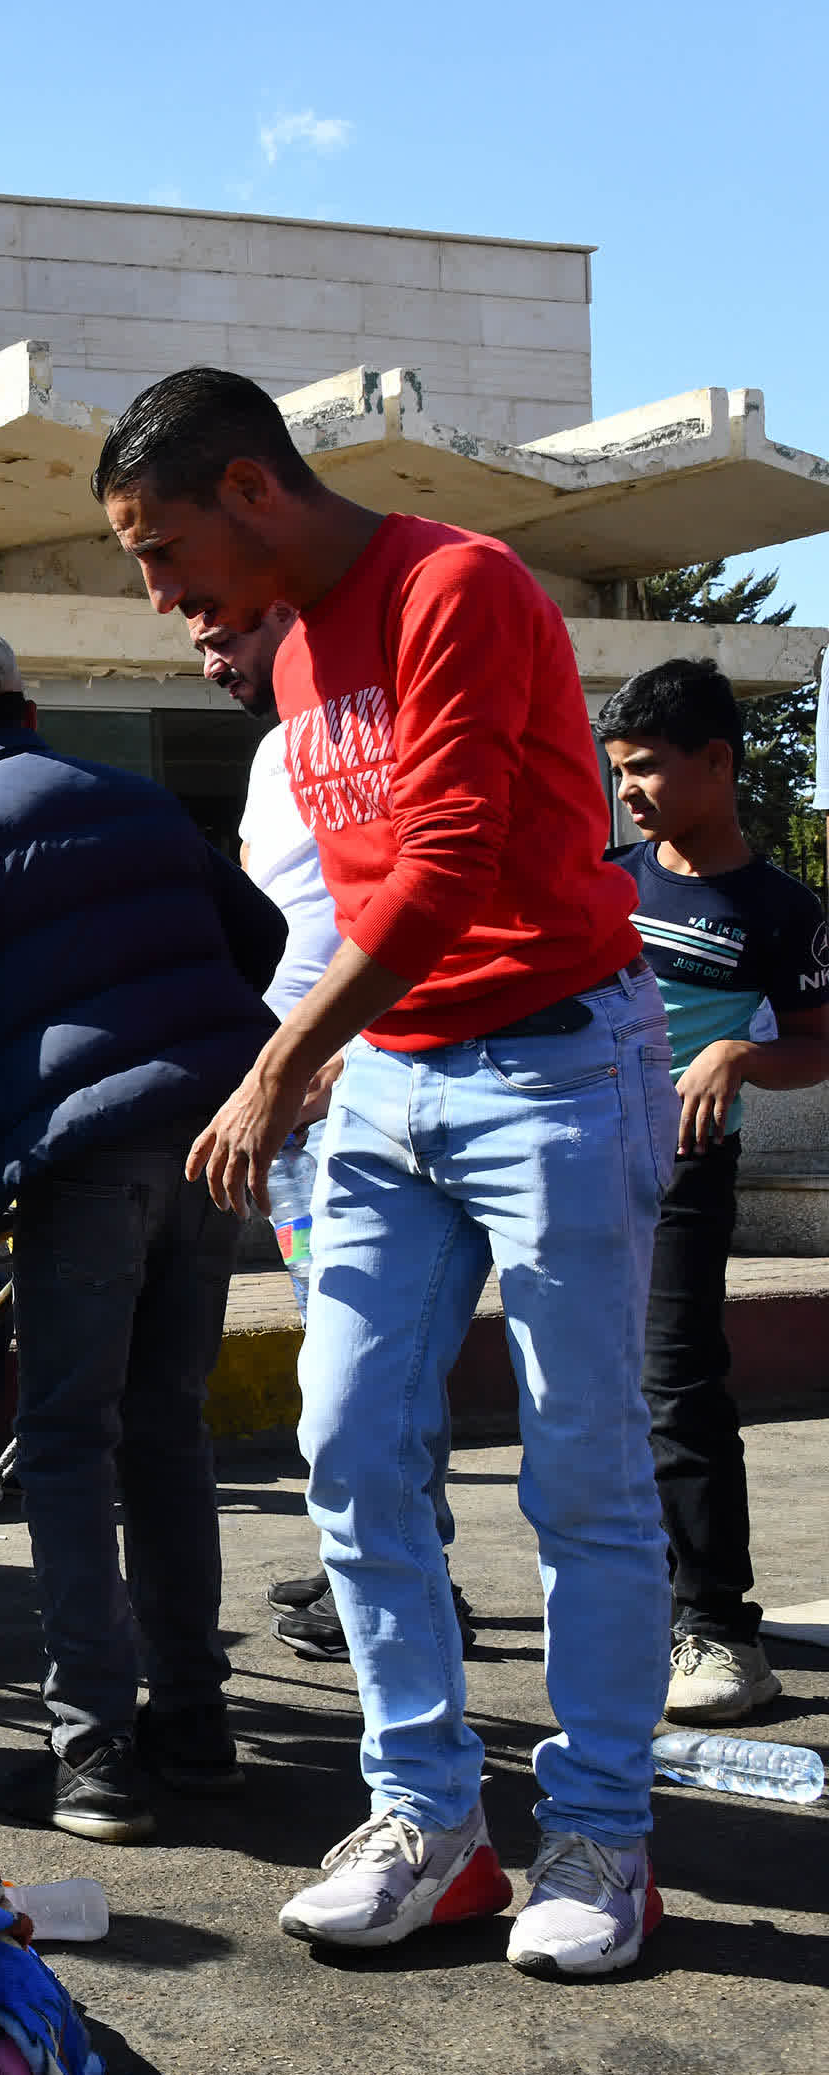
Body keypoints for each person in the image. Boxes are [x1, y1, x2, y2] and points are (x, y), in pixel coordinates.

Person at [100, 366, 673, 1976]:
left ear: (252, 490)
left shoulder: (455, 587)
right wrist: (328, 1055)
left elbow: (447, 864)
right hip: (394, 1082)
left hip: (561, 1065)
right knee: (348, 1444)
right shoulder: (292, 652)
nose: (161, 597)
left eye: (161, 551)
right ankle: (429, 1822)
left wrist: (277, 1068)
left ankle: (606, 1838)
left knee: (582, 1471)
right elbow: (340, 898)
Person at [0, 623, 283, 1847]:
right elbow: (256, 942)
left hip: (81, 1161)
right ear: (28, 713)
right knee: (165, 1434)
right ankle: (194, 1727)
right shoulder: (145, 805)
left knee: (61, 1444)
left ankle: (90, 1752)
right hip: (209, 1141)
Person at [201, 607, 475, 1666]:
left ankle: (421, 1575)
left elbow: (420, 909)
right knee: (342, 1351)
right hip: (290, 1108)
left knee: (371, 1356)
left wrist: (341, 1064)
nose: (214, 661)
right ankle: (358, 1554)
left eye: (225, 635)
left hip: (356, 1093)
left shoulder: (380, 727)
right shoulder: (276, 754)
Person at [598, 657, 829, 1726]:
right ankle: (628, 1607)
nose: (629, 791)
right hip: (568, 1163)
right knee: (584, 1401)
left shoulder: (782, 909)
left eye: (645, 769)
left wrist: (740, 1051)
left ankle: (719, 1630)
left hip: (684, 1174)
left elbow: (819, 1048)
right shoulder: (602, 877)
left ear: (718, 761)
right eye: (618, 773)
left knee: (675, 1389)